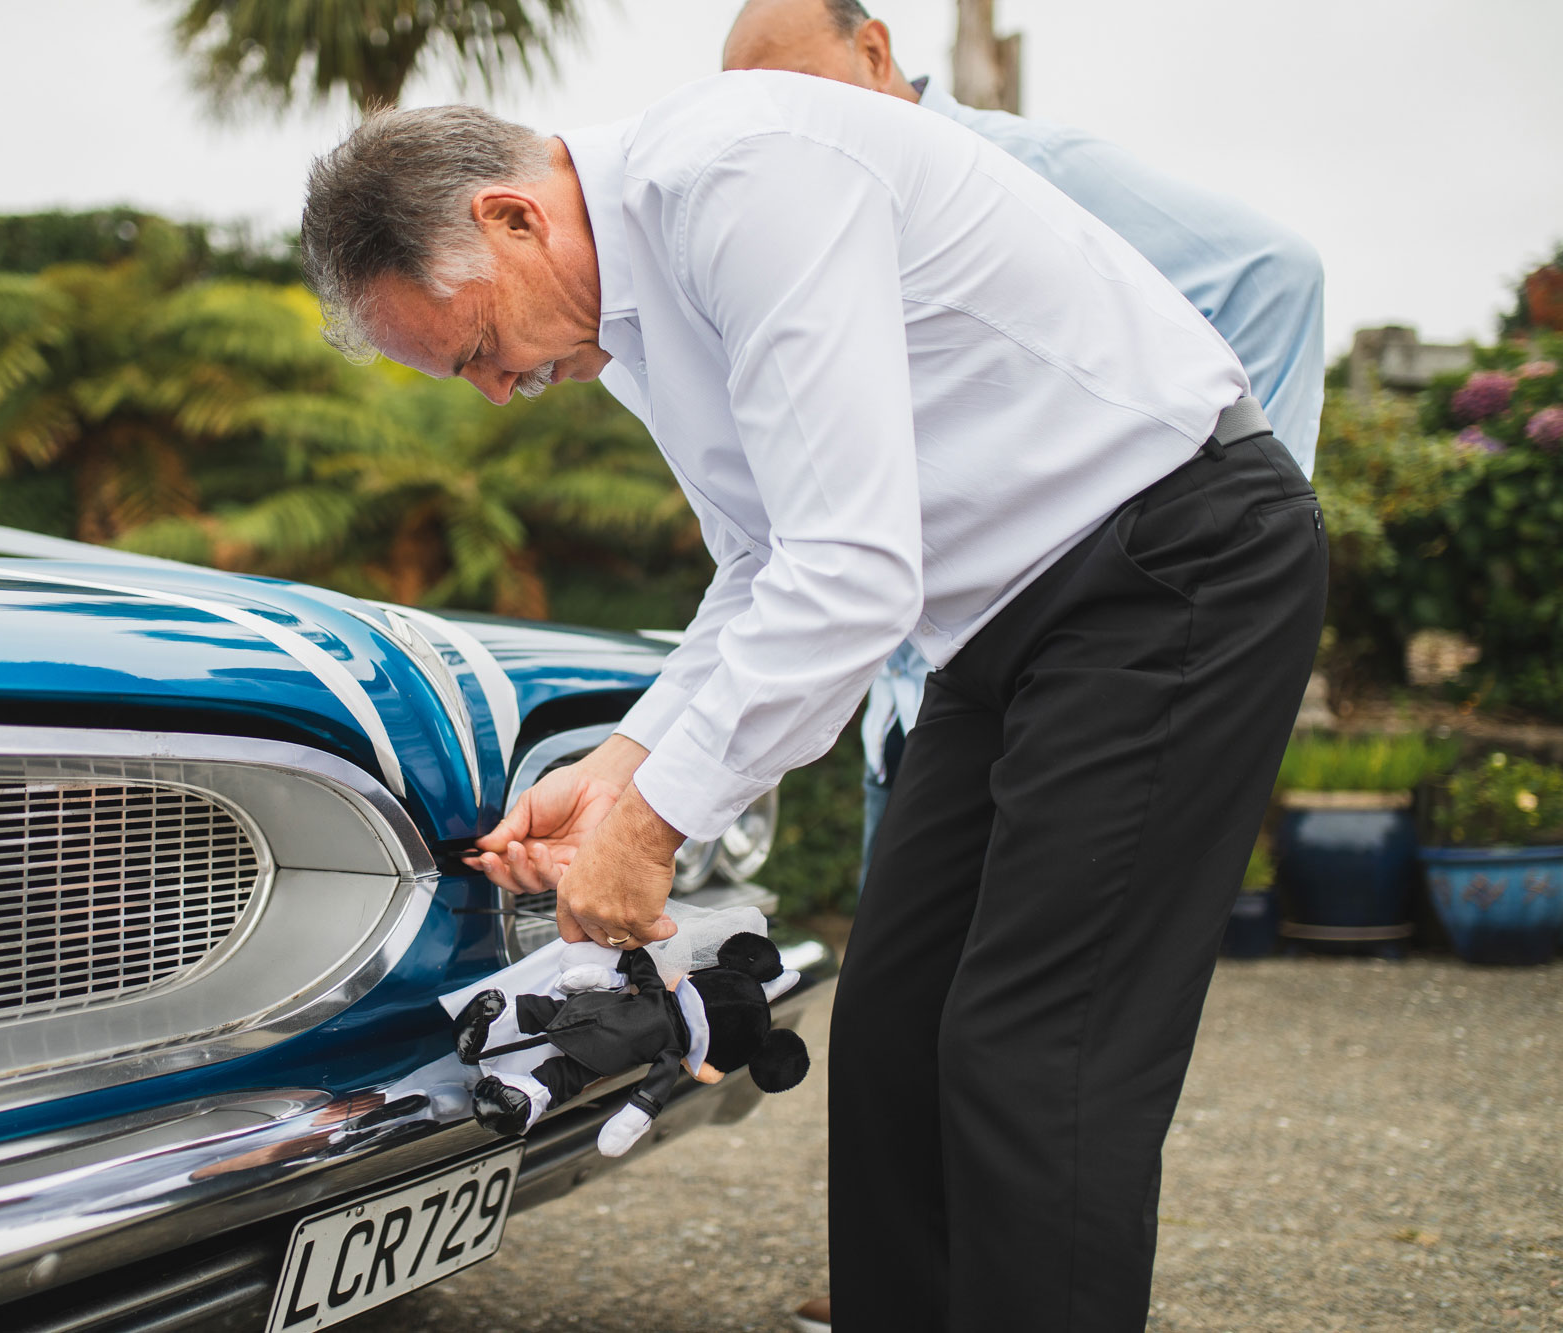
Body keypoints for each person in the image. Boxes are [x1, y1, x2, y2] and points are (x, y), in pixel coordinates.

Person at [300, 64, 1326, 1332]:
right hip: (997, 623)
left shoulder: (742, 173)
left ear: (515, 219)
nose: (496, 390)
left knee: (1029, 1054)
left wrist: (652, 827)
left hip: (1173, 562)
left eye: (473, 349)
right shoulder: (616, 318)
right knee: (892, 1040)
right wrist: (622, 765)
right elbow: (762, 567)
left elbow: (848, 571)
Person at [720, 0, 1327, 913]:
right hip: (917, 706)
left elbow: (1276, 277)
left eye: (794, 93)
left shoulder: (1027, 169)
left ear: (875, 51)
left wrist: (1234, 541)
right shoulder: (823, 228)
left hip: (1068, 679)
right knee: (904, 1024)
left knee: (1038, 1021)